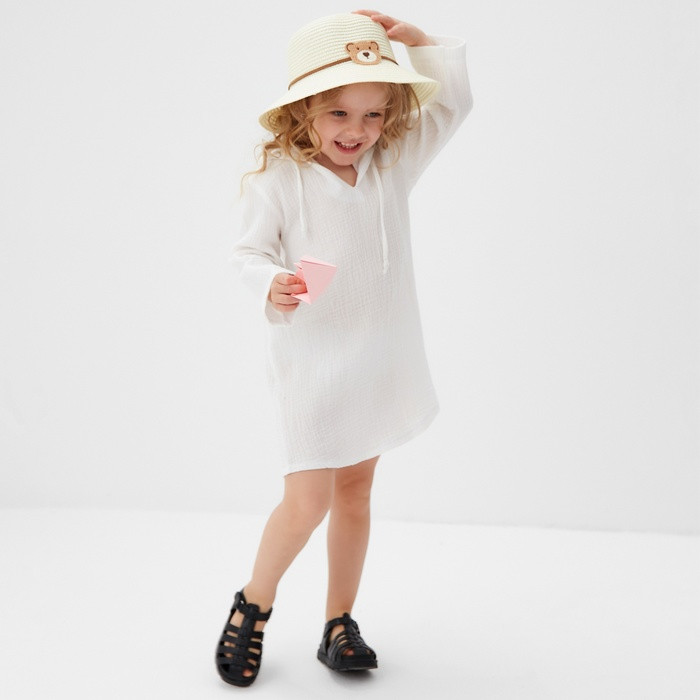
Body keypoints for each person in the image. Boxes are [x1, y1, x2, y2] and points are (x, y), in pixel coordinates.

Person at [216, 9, 472, 687]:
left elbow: (453, 105)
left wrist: (421, 45)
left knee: (356, 493)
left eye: (373, 114)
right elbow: (247, 252)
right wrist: (272, 283)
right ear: (303, 108)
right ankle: (253, 603)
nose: (356, 131)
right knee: (307, 502)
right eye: (338, 113)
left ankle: (339, 623)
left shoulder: (391, 164)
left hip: (379, 357)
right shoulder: (278, 178)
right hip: (314, 363)